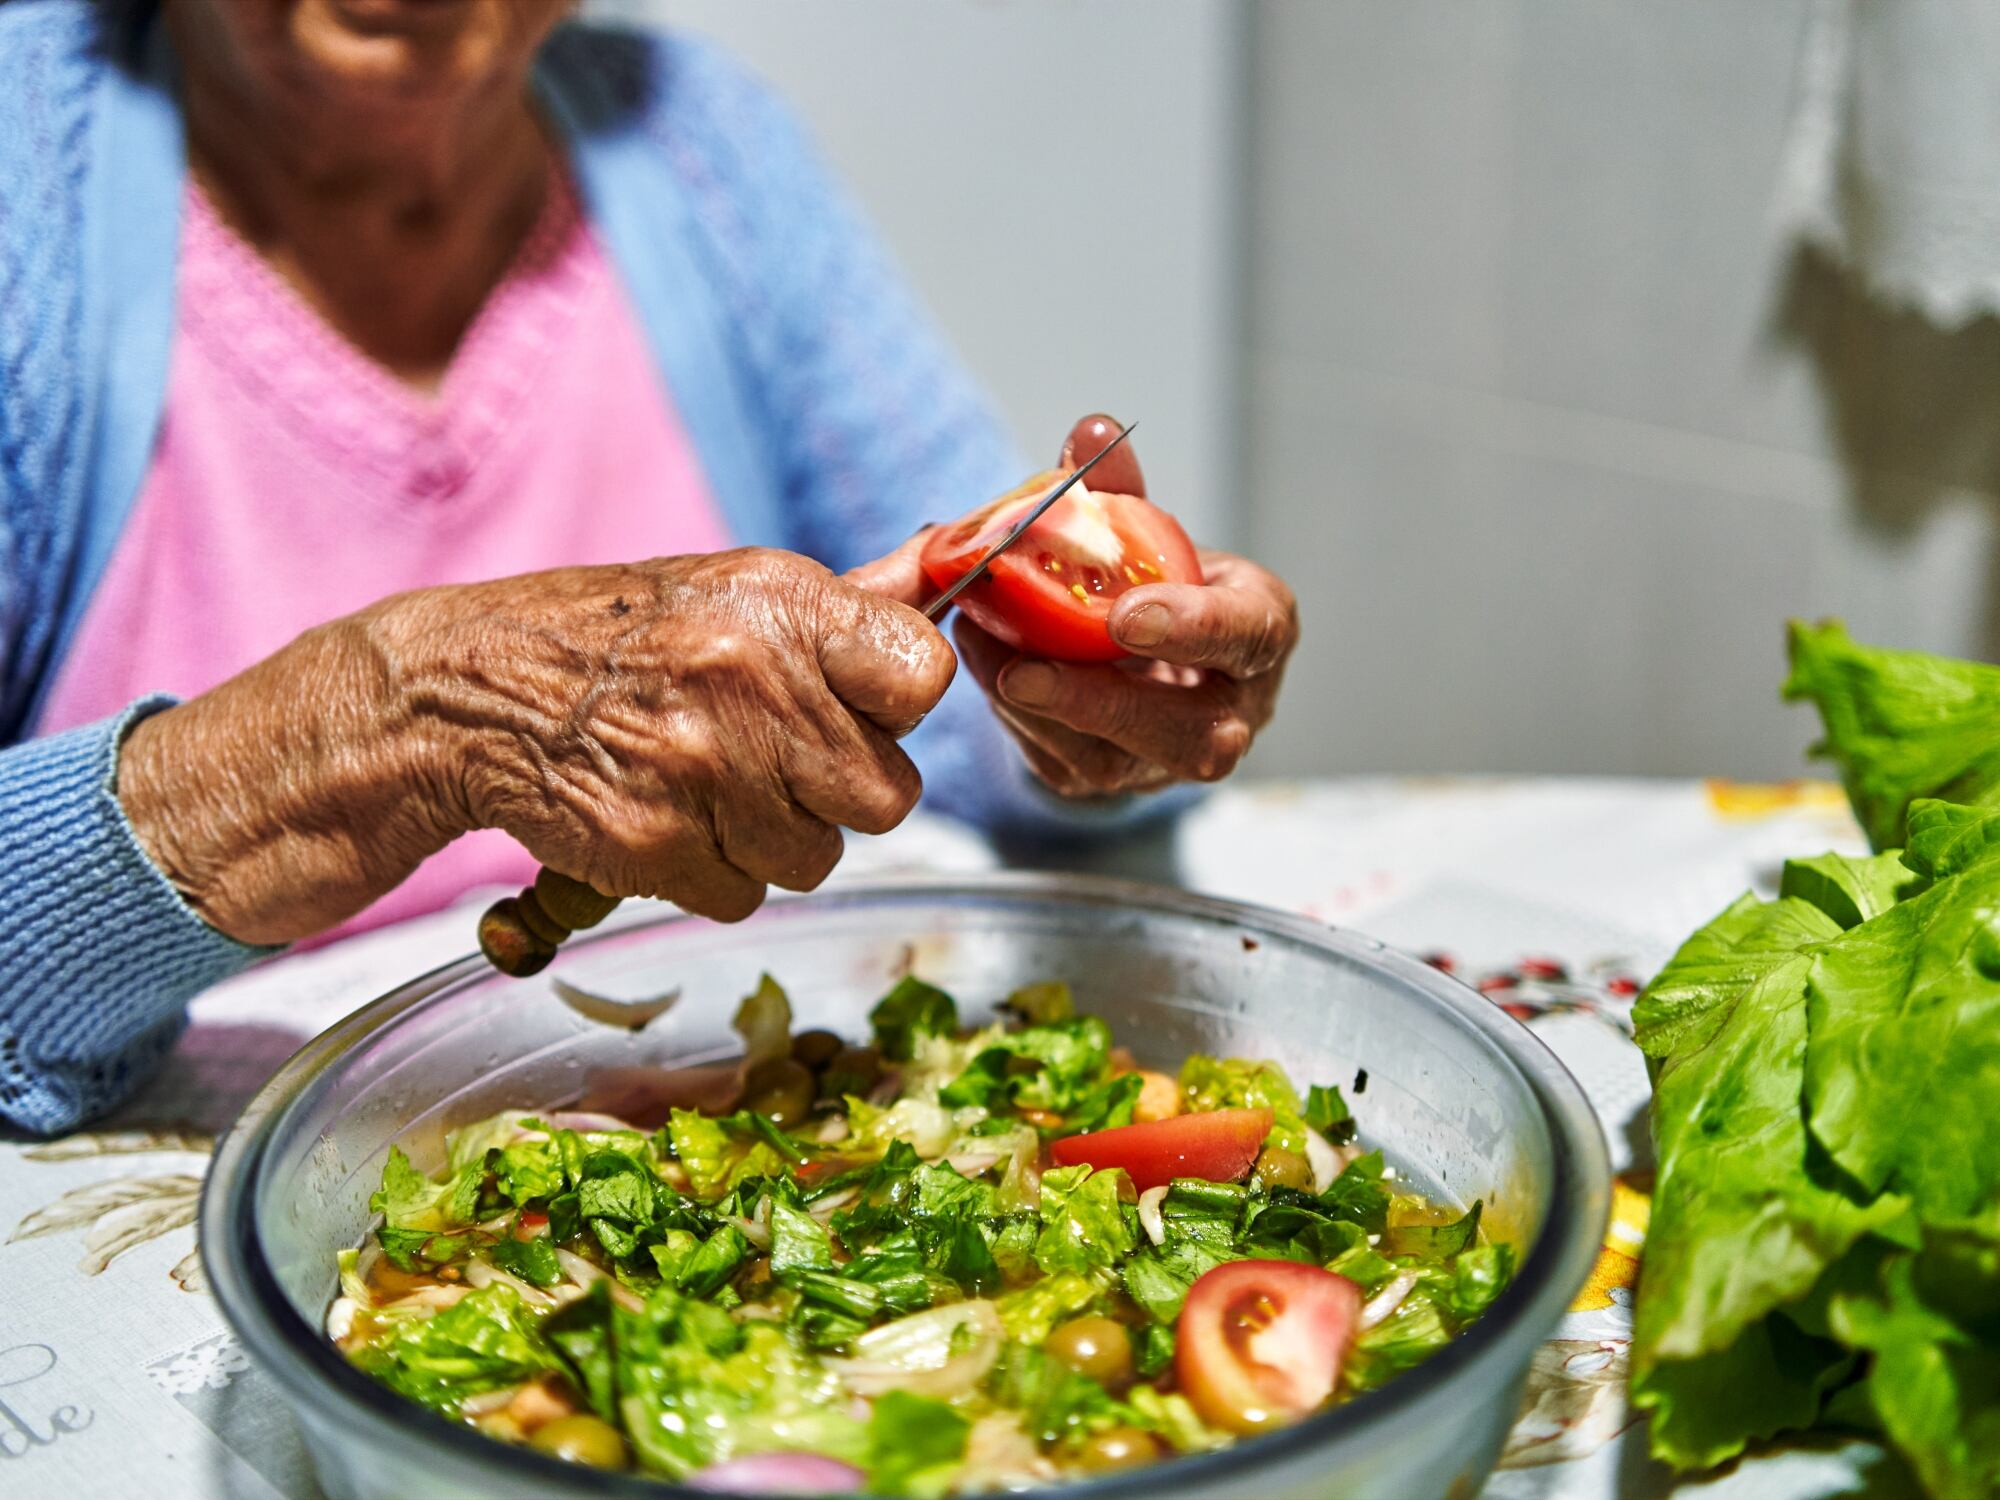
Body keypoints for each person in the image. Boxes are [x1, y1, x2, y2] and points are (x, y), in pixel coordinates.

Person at [0, 0, 1298, 1135]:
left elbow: (965, 709)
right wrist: (401, 716)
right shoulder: (27, 166)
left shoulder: (699, 149)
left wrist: (1091, 690)